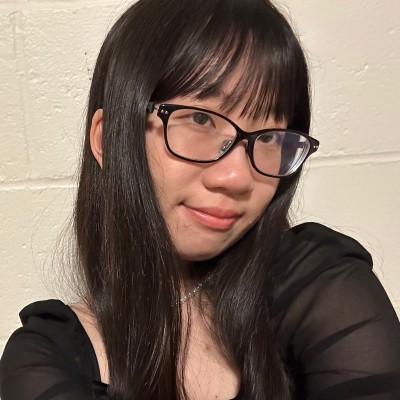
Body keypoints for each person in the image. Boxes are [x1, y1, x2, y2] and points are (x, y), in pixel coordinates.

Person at [1, 0, 400, 399]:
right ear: (111, 139)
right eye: (200, 119)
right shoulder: (44, 361)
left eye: (269, 137)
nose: (237, 178)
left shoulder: (319, 286)